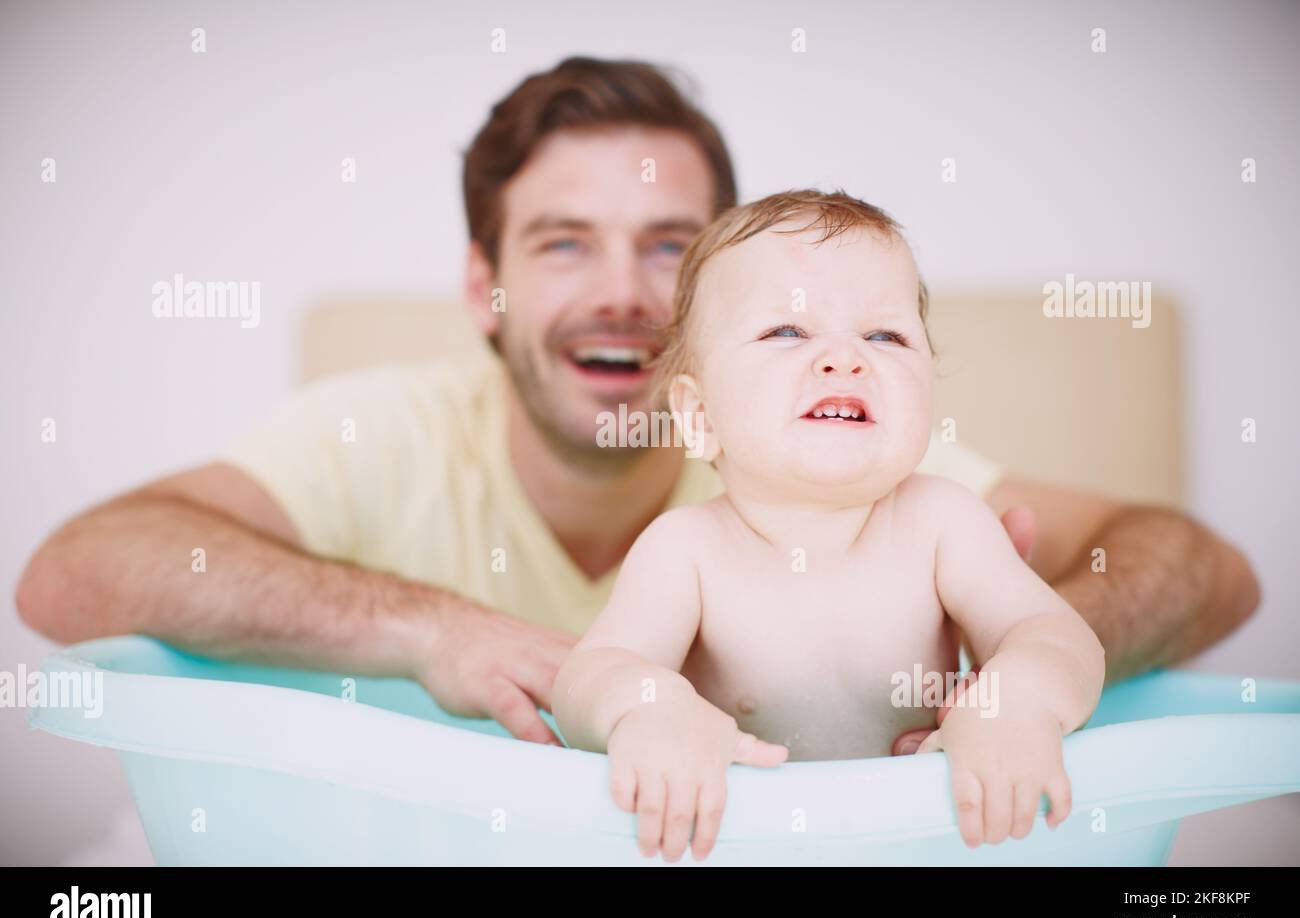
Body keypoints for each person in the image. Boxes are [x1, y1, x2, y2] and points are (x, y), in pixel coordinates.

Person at [15, 56, 1259, 758]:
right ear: (482, 284)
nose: (622, 297)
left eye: (669, 245)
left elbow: (1200, 568)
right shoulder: (380, 432)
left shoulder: (859, 453)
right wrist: (426, 629)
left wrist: (1015, 664)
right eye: (563, 245)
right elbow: (74, 576)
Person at [553, 188, 1106, 861]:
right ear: (698, 416)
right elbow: (589, 678)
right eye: (786, 331)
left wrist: (1014, 702)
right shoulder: (686, 550)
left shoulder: (943, 522)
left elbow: (1054, 636)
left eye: (886, 335)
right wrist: (647, 705)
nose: (846, 358)